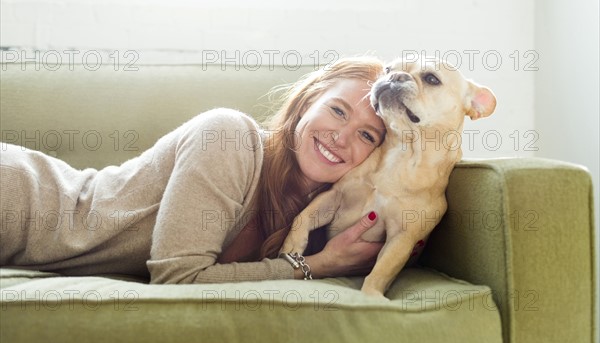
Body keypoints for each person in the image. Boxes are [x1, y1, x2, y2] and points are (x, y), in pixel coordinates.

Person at [0, 56, 386, 284]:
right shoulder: (229, 136)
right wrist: (316, 267)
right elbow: (179, 278)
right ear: (306, 104)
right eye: (337, 110)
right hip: (19, 197)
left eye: (367, 135)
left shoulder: (316, 217)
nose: (341, 137)